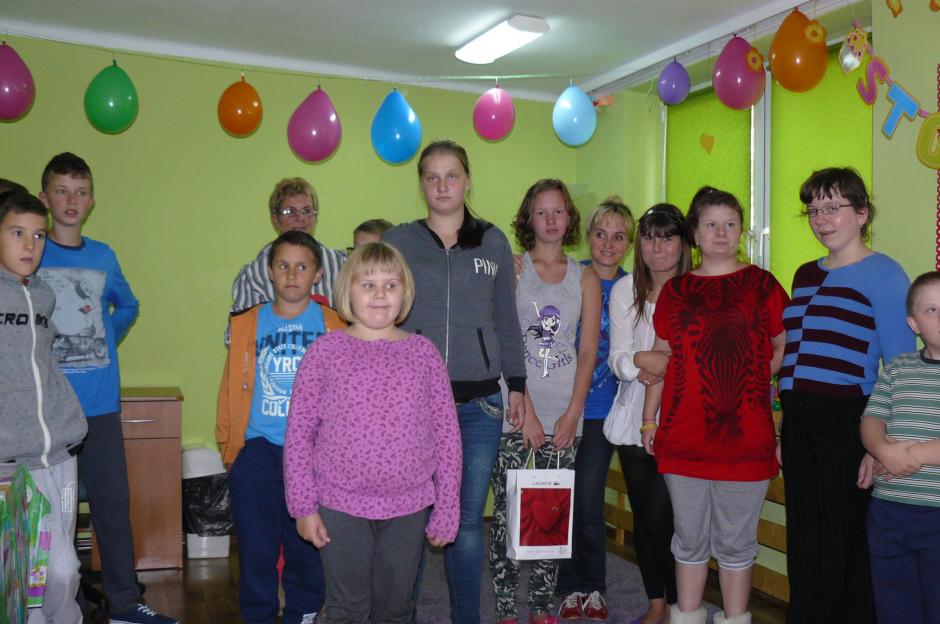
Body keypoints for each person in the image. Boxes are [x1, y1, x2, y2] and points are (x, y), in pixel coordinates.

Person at [383, 140, 526, 624]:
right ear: (421, 184)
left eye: (452, 175)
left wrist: (518, 384)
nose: (442, 186)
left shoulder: (493, 242)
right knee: (411, 521)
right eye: (432, 177)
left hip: (478, 406)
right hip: (413, 405)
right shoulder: (399, 241)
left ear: (467, 181)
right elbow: (377, 312)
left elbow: (506, 318)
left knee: (465, 522)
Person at [284, 242, 462, 623]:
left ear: (405, 292)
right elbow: (299, 434)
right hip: (339, 503)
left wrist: (448, 506)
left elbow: (447, 436)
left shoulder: (424, 354)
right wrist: (304, 507)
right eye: (368, 285)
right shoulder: (325, 353)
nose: (380, 294)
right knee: (347, 610)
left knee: (395, 610)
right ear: (347, 290)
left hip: (408, 507)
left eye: (390, 285)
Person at [36, 153, 177, 624]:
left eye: (80, 192)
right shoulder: (33, 254)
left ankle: (124, 604)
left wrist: (103, 339)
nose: (71, 200)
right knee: (57, 516)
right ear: (44, 198)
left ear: (92, 200)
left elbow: (128, 305)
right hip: (50, 412)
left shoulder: (103, 256)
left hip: (99, 407)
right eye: (61, 190)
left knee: (113, 509)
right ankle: (64, 604)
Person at [642, 187, 788, 624]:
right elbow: (663, 355)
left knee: (736, 544)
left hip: (746, 441)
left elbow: (782, 346)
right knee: (688, 541)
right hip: (684, 438)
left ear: (741, 230)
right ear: (695, 233)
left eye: (730, 224)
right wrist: (648, 421)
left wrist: (754, 377)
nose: (721, 233)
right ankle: (686, 615)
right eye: (711, 224)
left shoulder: (763, 285)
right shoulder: (677, 291)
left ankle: (735, 616)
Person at [777, 167, 913, 624]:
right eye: (814, 209)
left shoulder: (885, 274)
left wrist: (878, 444)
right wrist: (785, 426)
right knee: (804, 535)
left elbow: (900, 367)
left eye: (833, 207)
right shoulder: (804, 274)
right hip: (799, 420)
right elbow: (796, 355)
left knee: (843, 539)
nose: (822, 218)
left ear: (862, 213)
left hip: (847, 419)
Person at [488, 178, 601, 624]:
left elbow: (588, 351)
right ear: (528, 219)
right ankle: (505, 608)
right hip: (517, 412)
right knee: (509, 515)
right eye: (541, 212)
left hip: (565, 416)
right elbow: (505, 341)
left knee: (552, 516)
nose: (551, 220)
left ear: (569, 217)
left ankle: (539, 606)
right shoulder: (514, 271)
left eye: (558, 211)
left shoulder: (585, 277)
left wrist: (572, 414)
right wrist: (529, 414)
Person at [217, 230, 344, 624]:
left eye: (302, 267)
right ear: (270, 272)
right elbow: (229, 388)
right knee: (256, 545)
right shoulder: (248, 323)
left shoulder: (335, 325)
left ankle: (303, 613)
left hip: (314, 453)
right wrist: (229, 448)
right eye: (283, 266)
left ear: (317, 274)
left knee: (306, 544)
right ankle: (258, 614)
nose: (292, 275)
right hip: (259, 449)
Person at [0, 189, 87, 624]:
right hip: (11, 463)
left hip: (60, 455)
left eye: (38, 235)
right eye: (17, 233)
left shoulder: (44, 295)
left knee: (61, 568)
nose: (29, 245)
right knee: (31, 576)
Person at [607, 204, 691, 624]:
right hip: (635, 418)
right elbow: (618, 358)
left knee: (674, 518)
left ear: (684, 243)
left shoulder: (696, 288)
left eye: (667, 237)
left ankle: (682, 602)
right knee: (647, 516)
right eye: (649, 237)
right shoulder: (626, 290)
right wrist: (643, 360)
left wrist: (653, 361)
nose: (657, 247)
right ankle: (657, 601)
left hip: (687, 418)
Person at [556, 197, 634, 620]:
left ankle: (593, 586)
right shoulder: (570, 276)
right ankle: (568, 587)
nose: (608, 244)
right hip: (561, 405)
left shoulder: (633, 288)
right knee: (562, 499)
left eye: (618, 237)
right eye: (601, 234)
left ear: (629, 244)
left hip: (603, 409)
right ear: (588, 236)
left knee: (586, 501)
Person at [861, 271, 940, 624]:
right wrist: (882, 450)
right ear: (914, 324)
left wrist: (910, 456)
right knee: (894, 606)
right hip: (889, 512)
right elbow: (872, 420)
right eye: (931, 310)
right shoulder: (897, 369)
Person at [230, 177, 346, 322]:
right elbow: (242, 330)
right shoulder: (254, 275)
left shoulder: (341, 265)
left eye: (306, 210)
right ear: (275, 220)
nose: (300, 218)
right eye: (290, 212)